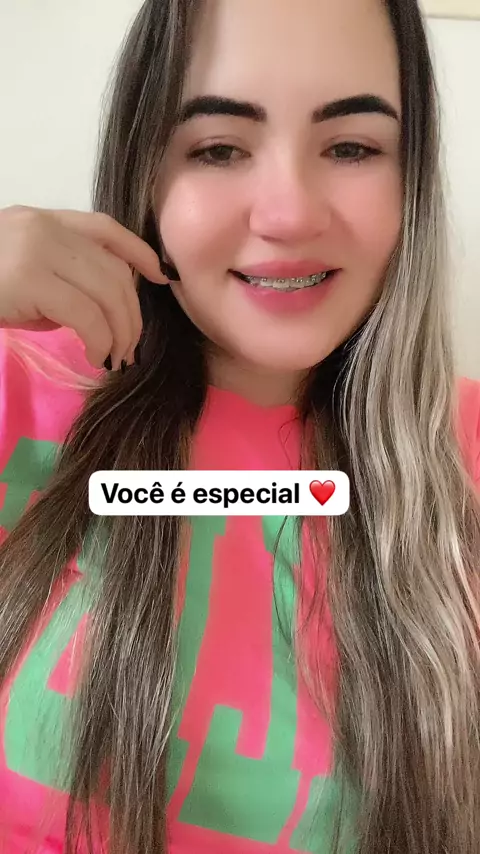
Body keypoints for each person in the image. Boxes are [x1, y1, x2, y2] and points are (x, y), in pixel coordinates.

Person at [0, 0, 479, 851]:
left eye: (352, 147)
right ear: (145, 173)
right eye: (218, 148)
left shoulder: (463, 457)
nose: (288, 215)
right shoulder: (23, 388)